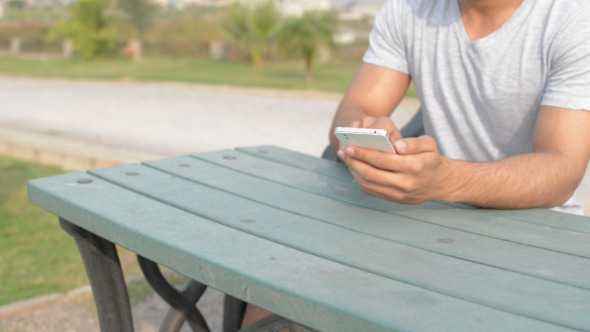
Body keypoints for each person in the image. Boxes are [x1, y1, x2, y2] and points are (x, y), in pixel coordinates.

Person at [329, 0, 590, 215]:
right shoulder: (408, 8)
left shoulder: (574, 20)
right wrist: (365, 137)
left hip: (542, 228)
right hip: (436, 215)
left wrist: (446, 180)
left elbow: (563, 168)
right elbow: (357, 106)